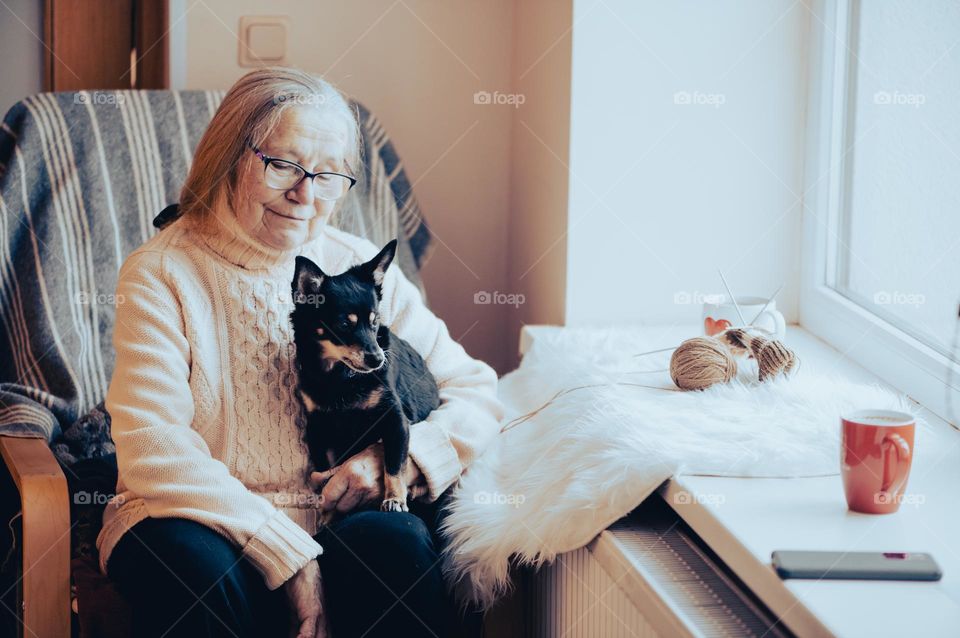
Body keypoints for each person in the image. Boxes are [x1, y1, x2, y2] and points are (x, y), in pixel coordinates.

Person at [96, 66, 504, 638]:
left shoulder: (354, 267)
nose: (305, 194)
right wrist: (289, 556)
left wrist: (402, 462)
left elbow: (478, 393)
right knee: (185, 565)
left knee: (395, 543)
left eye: (329, 173)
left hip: (340, 516)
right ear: (229, 157)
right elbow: (153, 451)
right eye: (283, 165)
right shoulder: (161, 273)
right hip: (203, 515)